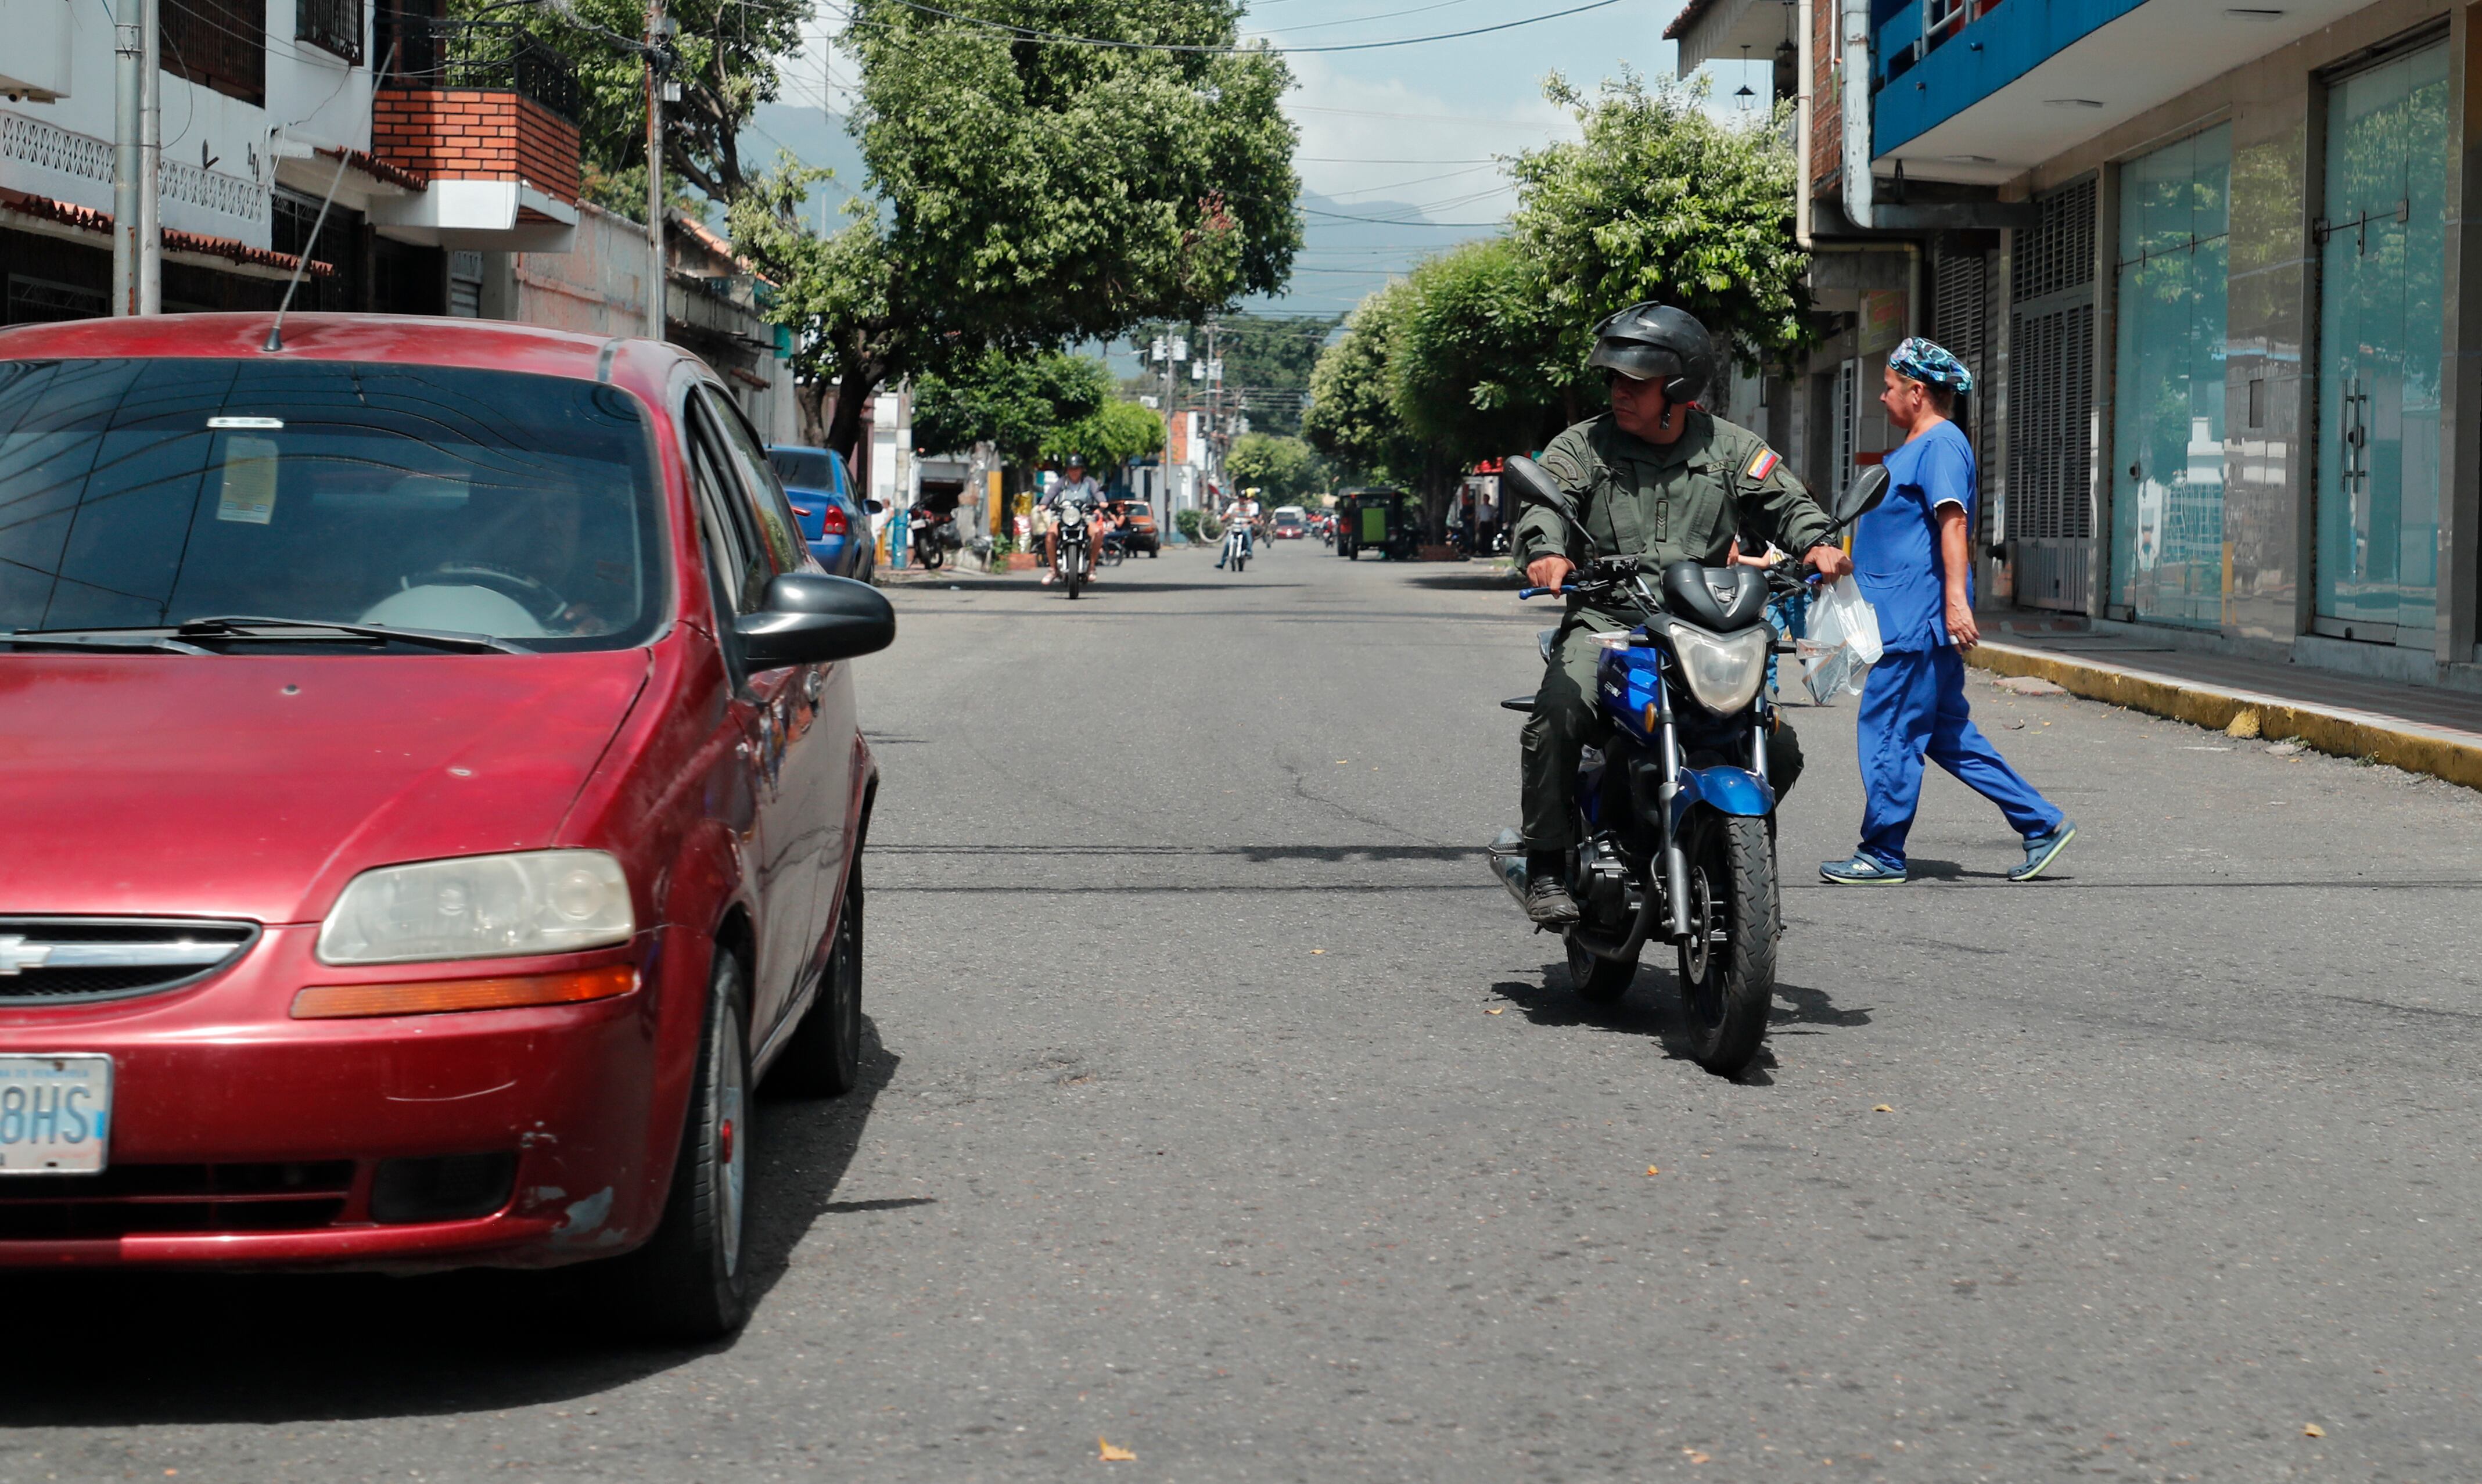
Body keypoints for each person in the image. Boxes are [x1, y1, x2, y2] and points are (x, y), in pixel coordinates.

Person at [1513, 303, 1854, 928]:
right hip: (1610, 623)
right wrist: (1547, 552)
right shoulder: (1583, 445)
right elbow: (1546, 506)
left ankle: (1737, 869)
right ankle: (1546, 864)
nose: (1618, 392)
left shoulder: (1731, 449)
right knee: (1560, 709)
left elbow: (1787, 504)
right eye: (1613, 380)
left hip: (1705, 629)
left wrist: (1816, 544)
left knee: (1778, 749)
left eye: (1634, 383)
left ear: (1675, 391)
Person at [1820, 337, 2075, 885]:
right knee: (1946, 734)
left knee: (1889, 730)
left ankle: (1882, 851)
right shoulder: (1917, 446)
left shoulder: (1940, 444)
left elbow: (1953, 522)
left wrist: (1956, 602)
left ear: (1916, 392)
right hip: (1903, 615)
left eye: (1888, 387)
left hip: (1913, 621)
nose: (1882, 396)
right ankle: (2041, 823)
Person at [1040, 454, 1106, 587]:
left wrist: (1102, 502)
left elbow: (1098, 493)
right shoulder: (1061, 482)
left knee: (1098, 533)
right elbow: (1051, 493)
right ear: (1067, 470)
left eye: (1077, 468)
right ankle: (1053, 569)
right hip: (1063, 515)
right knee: (1050, 535)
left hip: (1084, 516)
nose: (1074, 472)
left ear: (1082, 469)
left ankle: (1092, 567)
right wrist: (1044, 504)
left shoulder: (1089, 482)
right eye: (1071, 469)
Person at [1216, 486, 1263, 569]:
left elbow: (1253, 518)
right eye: (1240, 498)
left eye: (1243, 498)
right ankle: (1222, 562)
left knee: (1247, 532)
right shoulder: (1233, 506)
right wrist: (1220, 520)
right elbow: (1227, 515)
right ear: (1238, 498)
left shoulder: (1250, 507)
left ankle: (1249, 552)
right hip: (1234, 526)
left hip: (1245, 526)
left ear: (1246, 499)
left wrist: (1254, 523)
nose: (1242, 500)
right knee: (1228, 543)